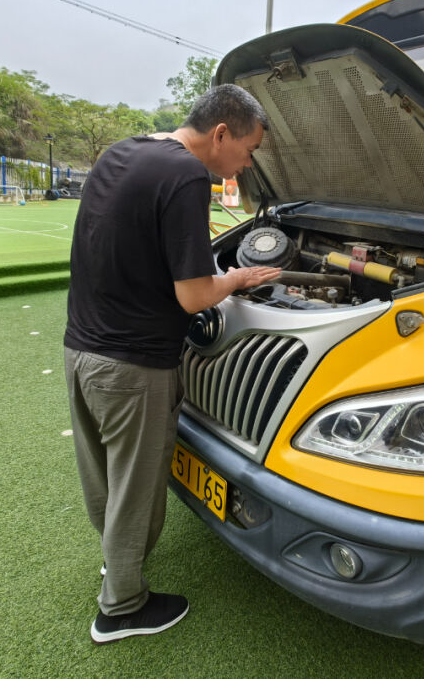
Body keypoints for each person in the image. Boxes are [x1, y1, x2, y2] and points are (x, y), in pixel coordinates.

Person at [63, 84, 282, 644]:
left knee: (106, 476)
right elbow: (193, 295)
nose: (249, 162)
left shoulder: (122, 151)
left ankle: (118, 564)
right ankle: (122, 608)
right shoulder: (188, 176)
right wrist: (238, 279)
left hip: (81, 349)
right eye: (250, 150)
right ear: (221, 134)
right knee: (137, 485)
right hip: (132, 366)